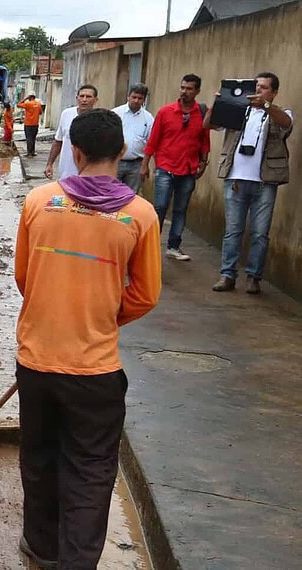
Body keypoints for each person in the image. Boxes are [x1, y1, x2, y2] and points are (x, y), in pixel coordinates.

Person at [15, 109, 161, 570]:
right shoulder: (141, 215)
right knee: (92, 468)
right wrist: (101, 315)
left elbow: (25, 278)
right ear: (123, 150)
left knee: (39, 457)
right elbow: (145, 295)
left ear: (75, 153)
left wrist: (57, 306)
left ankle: (43, 547)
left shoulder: (39, 201)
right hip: (96, 371)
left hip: (36, 361)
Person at [206, 72, 293, 294]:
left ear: (274, 92)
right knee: (233, 230)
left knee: (260, 233)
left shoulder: (279, 113)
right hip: (235, 179)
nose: (258, 90)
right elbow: (209, 125)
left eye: (264, 87)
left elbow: (287, 124)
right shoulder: (238, 110)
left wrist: (265, 106)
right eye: (256, 86)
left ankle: (254, 277)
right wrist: (218, 104)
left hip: (265, 182)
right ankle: (227, 275)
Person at [141, 74, 211, 262]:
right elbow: (153, 140)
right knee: (160, 207)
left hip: (188, 169)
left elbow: (205, 140)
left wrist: (203, 162)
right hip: (165, 167)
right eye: (182, 87)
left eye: (189, 89)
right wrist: (145, 164)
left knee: (181, 209)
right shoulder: (166, 112)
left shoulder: (202, 114)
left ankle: (173, 246)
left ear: (197, 91)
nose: (184, 92)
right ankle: (151, 245)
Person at [45, 85, 99, 180]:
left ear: (95, 100)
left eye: (88, 97)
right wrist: (50, 164)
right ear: (77, 98)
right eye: (82, 96)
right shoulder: (66, 114)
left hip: (90, 174)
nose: (84, 100)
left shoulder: (99, 119)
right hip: (66, 172)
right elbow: (58, 141)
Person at [112, 84, 154, 193]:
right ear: (128, 96)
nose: (136, 100)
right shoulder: (115, 113)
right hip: (116, 162)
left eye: (140, 98)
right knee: (111, 193)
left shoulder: (148, 118)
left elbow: (150, 143)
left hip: (136, 165)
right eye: (134, 97)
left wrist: (145, 165)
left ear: (144, 100)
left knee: (131, 196)